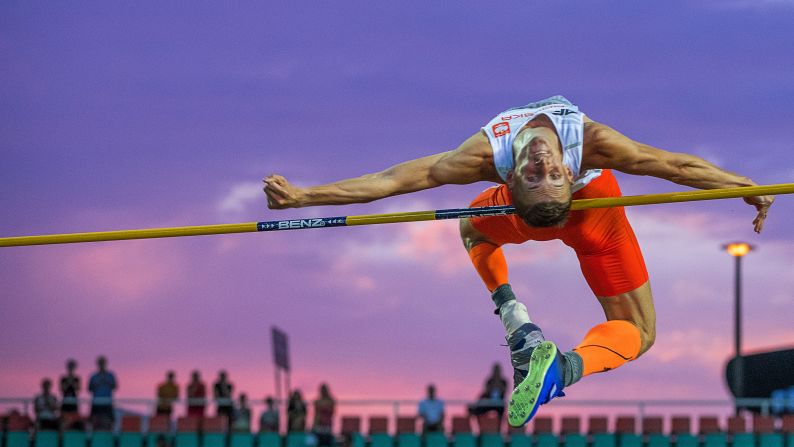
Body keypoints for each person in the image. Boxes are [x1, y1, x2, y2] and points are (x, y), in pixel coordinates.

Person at [263, 95, 775, 427]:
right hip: (579, 213)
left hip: (581, 208)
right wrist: (305, 197)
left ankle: (518, 325)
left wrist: (742, 186)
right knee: (636, 332)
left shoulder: (491, 156)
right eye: (539, 176)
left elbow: (672, 166)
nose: (545, 166)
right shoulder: (578, 147)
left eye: (547, 175)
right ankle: (560, 365)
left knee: (472, 227)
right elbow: (390, 181)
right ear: (509, 186)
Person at [468, 364, 507, 429]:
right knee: (479, 410)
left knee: (501, 414)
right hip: (488, 403)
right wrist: (493, 384)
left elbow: (504, 391)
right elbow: (486, 391)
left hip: (499, 405)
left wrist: (498, 384)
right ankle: (481, 429)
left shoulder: (504, 381)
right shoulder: (489, 381)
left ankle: (498, 431)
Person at [88, 356, 117, 430]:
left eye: (103, 363)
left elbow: (115, 386)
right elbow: (89, 389)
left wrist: (106, 382)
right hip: (96, 402)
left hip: (107, 402)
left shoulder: (110, 375)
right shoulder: (93, 376)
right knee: (94, 422)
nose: (101, 364)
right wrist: (97, 384)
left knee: (109, 421)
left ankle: (109, 437)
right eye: (100, 363)